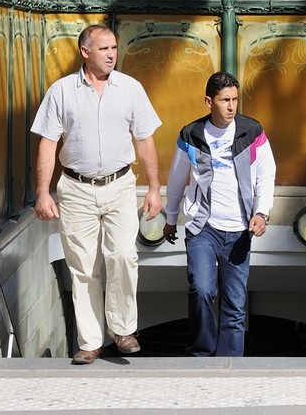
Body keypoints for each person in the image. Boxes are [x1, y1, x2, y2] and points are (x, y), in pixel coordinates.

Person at [32, 24, 162, 365]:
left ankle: (123, 329)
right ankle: (90, 342)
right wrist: (43, 192)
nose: (111, 54)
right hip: (75, 189)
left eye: (114, 48)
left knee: (122, 255)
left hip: (120, 185)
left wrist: (153, 187)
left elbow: (145, 140)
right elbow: (48, 143)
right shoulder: (61, 92)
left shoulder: (131, 89)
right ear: (85, 52)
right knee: (83, 267)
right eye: (104, 49)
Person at [162, 70, 275, 357]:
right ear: (208, 101)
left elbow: (266, 175)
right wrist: (171, 218)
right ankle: (202, 356)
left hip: (239, 230)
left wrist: (261, 213)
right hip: (203, 228)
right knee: (201, 290)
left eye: (235, 99)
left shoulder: (252, 131)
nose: (232, 106)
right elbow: (177, 179)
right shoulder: (191, 134)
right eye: (225, 100)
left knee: (235, 307)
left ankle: (230, 369)